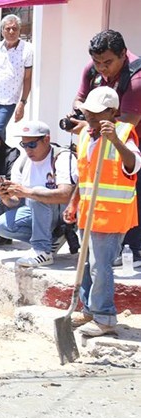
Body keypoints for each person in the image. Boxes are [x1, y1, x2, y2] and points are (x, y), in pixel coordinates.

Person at [64, 87, 141, 337]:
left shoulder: (123, 133)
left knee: (100, 266)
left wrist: (116, 142)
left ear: (113, 112)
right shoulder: (86, 135)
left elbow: (133, 165)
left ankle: (105, 316)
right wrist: (73, 203)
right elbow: (84, 176)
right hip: (88, 210)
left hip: (111, 214)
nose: (92, 118)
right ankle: (90, 309)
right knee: (87, 264)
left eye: (98, 114)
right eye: (89, 113)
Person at [71, 30, 141, 268]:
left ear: (123, 54)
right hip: (101, 137)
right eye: (97, 62)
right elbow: (78, 99)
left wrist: (91, 123)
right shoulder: (91, 69)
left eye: (108, 63)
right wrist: (86, 116)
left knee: (132, 195)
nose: (102, 68)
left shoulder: (136, 78)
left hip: (130, 141)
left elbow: (129, 121)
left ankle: (133, 249)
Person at [0, 120, 77, 267]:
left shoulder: (62, 157)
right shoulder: (22, 162)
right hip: (36, 211)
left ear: (46, 139)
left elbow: (67, 194)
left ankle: (42, 251)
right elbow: (15, 201)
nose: (27, 150)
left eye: (32, 145)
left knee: (36, 193)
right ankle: (52, 239)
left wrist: (29, 192)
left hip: (65, 214)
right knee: (1, 226)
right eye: (24, 145)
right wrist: (6, 197)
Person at [0, 14, 33, 141]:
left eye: (15, 28)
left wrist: (22, 103)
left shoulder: (27, 49)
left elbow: (27, 78)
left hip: (8, 101)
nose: (11, 31)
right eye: (8, 29)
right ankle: (1, 159)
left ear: (20, 30)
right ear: (2, 31)